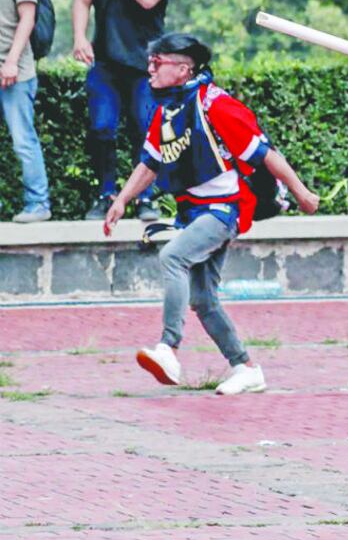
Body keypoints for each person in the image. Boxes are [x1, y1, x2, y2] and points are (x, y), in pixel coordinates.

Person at [103, 33, 320, 395]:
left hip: (224, 211)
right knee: (203, 298)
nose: (150, 70)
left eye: (159, 63)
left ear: (184, 69)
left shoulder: (214, 104)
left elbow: (264, 152)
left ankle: (168, 348)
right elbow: (150, 163)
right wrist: (122, 199)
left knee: (172, 257)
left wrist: (301, 193)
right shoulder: (167, 111)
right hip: (194, 213)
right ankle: (247, 368)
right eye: (151, 62)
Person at [74, 0, 174, 221]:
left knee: (145, 130)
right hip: (105, 63)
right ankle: (106, 194)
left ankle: (144, 198)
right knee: (102, 127)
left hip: (145, 67)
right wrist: (79, 36)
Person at [0, 0, 50, 223]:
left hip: (15, 71)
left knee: (23, 140)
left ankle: (39, 204)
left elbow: (28, 18)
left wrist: (11, 62)